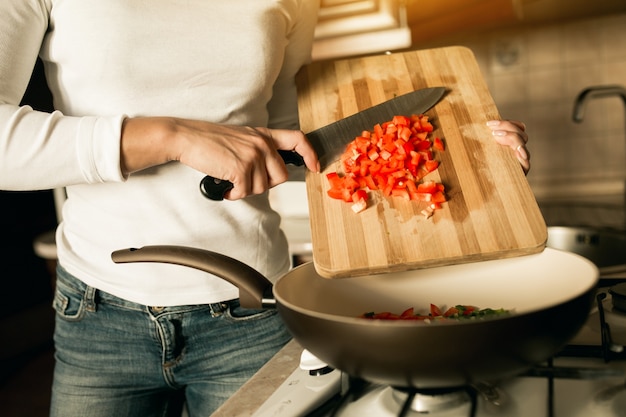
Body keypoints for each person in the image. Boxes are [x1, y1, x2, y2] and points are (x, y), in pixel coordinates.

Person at [0, 1, 529, 416]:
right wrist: (169, 136)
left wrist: (465, 153)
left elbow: (285, 135)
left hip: (251, 314)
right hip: (96, 314)